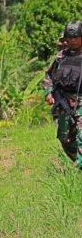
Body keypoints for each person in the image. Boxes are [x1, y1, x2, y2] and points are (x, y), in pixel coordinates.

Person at [44, 21, 82, 168]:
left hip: (81, 104)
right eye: (70, 37)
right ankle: (79, 165)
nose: (73, 40)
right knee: (65, 139)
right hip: (64, 104)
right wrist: (48, 92)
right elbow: (49, 76)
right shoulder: (61, 57)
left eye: (76, 37)